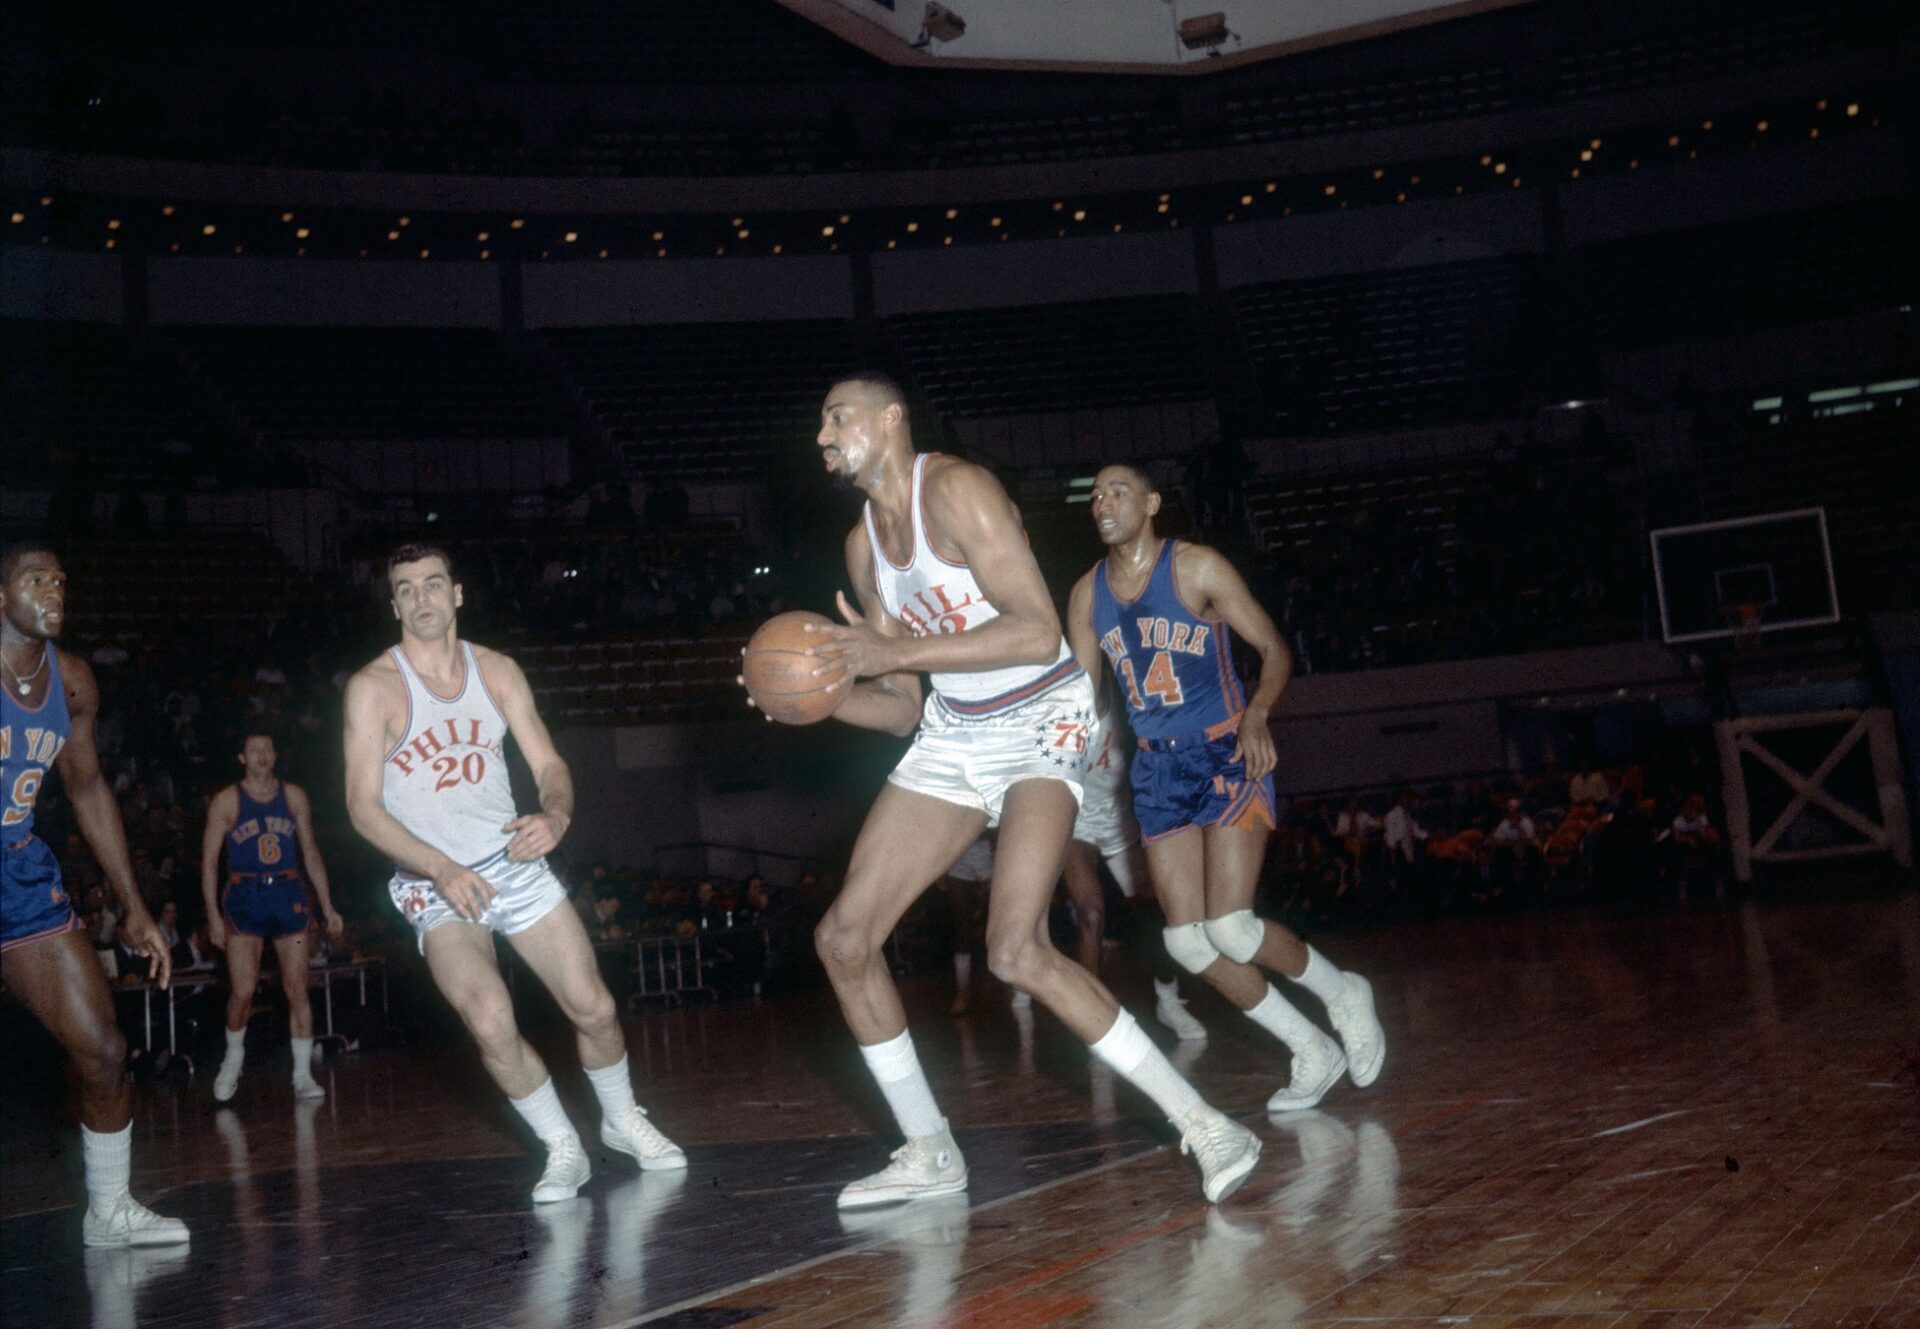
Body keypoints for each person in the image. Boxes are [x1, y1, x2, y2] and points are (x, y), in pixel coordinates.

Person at [758, 373, 1259, 1208]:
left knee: (1014, 947)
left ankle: (1206, 1121)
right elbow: (899, 712)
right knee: (844, 938)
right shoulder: (862, 547)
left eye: (835, 415)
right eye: (819, 419)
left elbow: (1035, 627)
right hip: (955, 730)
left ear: (891, 420)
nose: (822, 433)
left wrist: (893, 655)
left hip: (1040, 719)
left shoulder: (956, 490)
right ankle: (929, 1151)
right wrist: (815, 697)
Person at [344, 542, 685, 1204]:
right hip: (433, 881)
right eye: (406, 588)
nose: (422, 598)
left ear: (458, 593)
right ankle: (562, 1145)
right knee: (490, 1019)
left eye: (433, 583)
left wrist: (555, 814)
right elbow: (361, 808)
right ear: (393, 605)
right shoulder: (372, 689)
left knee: (595, 1006)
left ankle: (622, 1118)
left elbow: (550, 764)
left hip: (512, 862)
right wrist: (440, 867)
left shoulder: (497, 670)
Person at [1068, 465, 1386, 1115]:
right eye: (1096, 494)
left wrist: (1260, 712)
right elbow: (1080, 696)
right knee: (1186, 942)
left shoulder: (1197, 567)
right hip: (1156, 770)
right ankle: (1310, 1048)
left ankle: (1343, 991)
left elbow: (1273, 649)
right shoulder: (1085, 594)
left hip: (1225, 748)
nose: (1104, 501)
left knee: (1233, 928)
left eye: (1118, 490)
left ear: (1152, 503)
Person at [0, 541, 187, 1246]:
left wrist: (133, 904)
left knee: (105, 1051)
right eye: (34, 577)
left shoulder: (72, 681)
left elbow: (84, 787)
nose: (53, 587)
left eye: (60, 577)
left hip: (17, 868)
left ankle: (109, 1211)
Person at [199, 728, 344, 1102]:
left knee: (297, 987)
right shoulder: (227, 801)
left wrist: (326, 905)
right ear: (242, 758)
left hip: (288, 894)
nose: (262, 755)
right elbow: (209, 862)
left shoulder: (294, 796)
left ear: (275, 755)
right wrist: (213, 915)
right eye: (254, 750)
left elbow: (310, 851)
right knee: (244, 990)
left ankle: (301, 1075)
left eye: (267, 748)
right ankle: (233, 1060)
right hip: (244, 897)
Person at [1069, 705, 1208, 1042]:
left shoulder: (1127, 707)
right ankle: (1094, 1019)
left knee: (1153, 907)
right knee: (1091, 912)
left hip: (1119, 816)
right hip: (1074, 820)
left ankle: (1169, 1001)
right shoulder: (1056, 703)